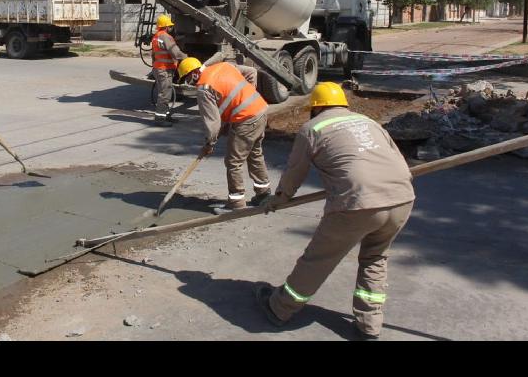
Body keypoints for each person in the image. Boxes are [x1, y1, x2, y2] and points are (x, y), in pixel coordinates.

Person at [255, 82, 415, 340]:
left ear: (314, 108)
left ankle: (280, 308)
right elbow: (399, 162)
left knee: (318, 260)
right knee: (375, 257)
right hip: (402, 197)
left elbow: (295, 171)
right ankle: (369, 325)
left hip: (357, 202)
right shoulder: (368, 121)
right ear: (343, 104)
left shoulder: (312, 128)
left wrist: (279, 199)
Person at [177, 57, 271, 214]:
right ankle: (263, 194)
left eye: (187, 80)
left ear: (193, 74)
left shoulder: (204, 88)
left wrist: (209, 143)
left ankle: (236, 202)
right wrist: (248, 95)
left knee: (233, 161)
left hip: (246, 119)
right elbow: (252, 72)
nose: (190, 84)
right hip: (260, 110)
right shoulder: (223, 66)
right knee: (255, 154)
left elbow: (212, 124)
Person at [151, 14, 187, 127]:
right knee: (164, 95)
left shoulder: (156, 36)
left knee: (167, 93)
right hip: (164, 69)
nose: (171, 28)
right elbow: (175, 52)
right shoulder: (166, 37)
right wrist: (186, 57)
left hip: (160, 68)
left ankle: (166, 116)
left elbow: (153, 55)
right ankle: (159, 119)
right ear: (166, 27)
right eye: (170, 26)